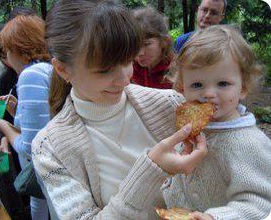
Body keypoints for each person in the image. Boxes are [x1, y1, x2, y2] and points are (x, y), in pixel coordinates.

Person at [31, 1, 207, 219]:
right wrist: (151, 170)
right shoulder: (50, 148)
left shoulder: (171, 105)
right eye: (104, 70)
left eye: (128, 61)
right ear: (62, 69)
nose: (125, 79)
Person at [164, 25, 271, 220]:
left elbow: (260, 202)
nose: (209, 94)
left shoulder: (248, 144)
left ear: (243, 87)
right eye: (197, 85)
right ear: (181, 88)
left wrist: (217, 217)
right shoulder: (191, 128)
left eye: (223, 84)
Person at [0, 15, 52, 220]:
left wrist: (0, 124)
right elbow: (44, 126)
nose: (7, 57)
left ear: (19, 49)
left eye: (8, 50)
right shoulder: (46, 68)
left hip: (43, 172)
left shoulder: (30, 75)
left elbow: (31, 147)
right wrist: (16, 111)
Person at [131, 6, 174, 89]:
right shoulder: (130, 67)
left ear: (164, 42)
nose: (139, 53)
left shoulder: (175, 70)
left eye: (146, 44)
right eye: (134, 45)